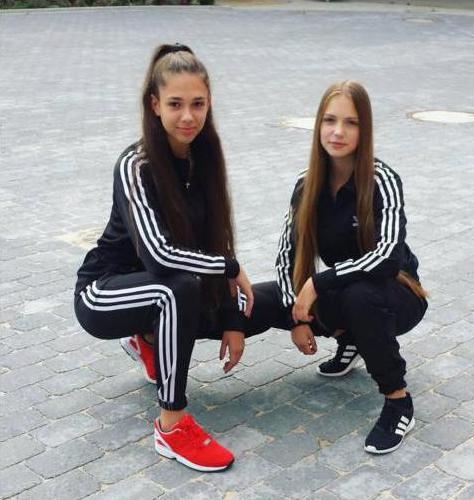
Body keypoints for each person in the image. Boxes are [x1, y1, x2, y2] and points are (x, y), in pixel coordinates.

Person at [74, 43, 254, 472]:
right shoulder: (135, 165)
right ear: (155, 105)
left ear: (209, 103)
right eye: (175, 104)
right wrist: (229, 268)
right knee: (177, 289)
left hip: (159, 288)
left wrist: (233, 318)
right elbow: (158, 258)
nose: (188, 116)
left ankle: (149, 340)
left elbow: (215, 239)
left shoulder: (204, 158)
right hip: (103, 292)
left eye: (198, 104)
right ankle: (171, 426)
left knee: (248, 301)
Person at [244, 81, 428, 454]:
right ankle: (158, 345)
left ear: (365, 129)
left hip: (397, 295)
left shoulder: (382, 180)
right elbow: (287, 253)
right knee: (255, 300)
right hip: (341, 292)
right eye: (330, 120)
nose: (338, 132)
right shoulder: (306, 184)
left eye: (351, 122)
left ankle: (398, 400)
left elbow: (388, 256)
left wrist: (318, 283)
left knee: (360, 296)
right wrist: (295, 316)